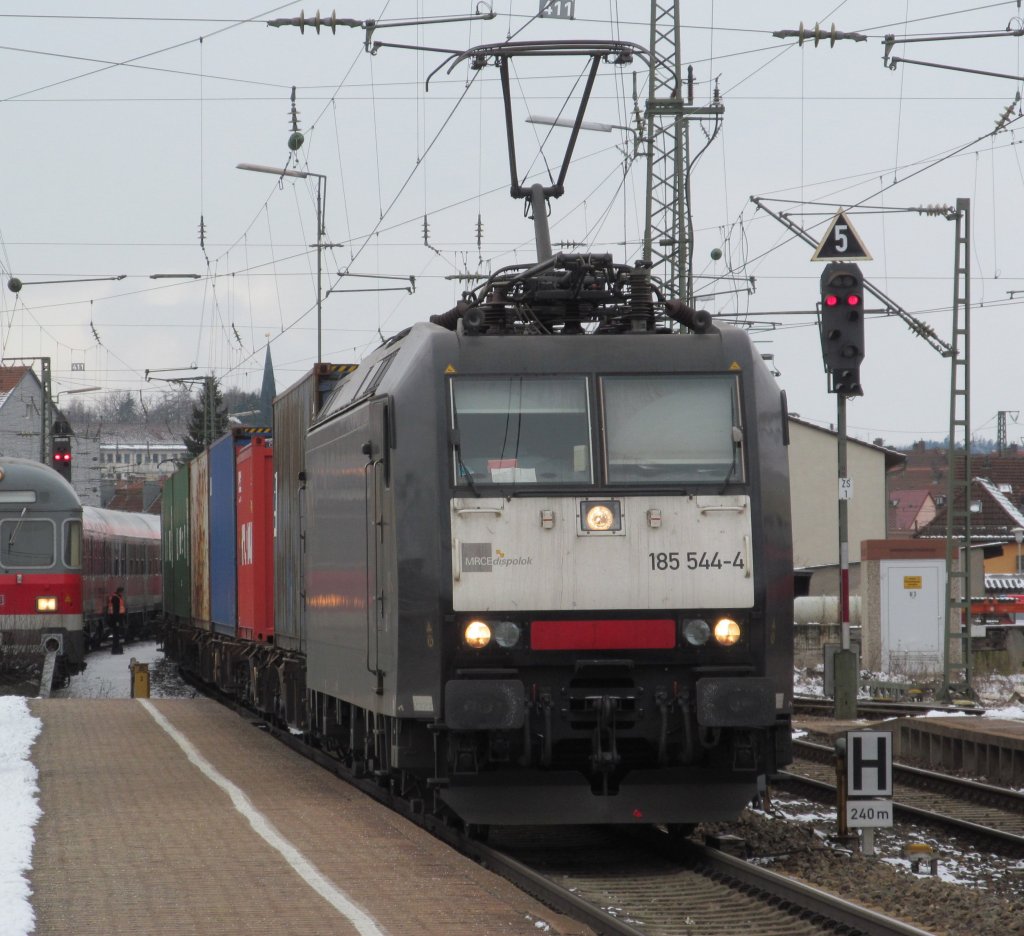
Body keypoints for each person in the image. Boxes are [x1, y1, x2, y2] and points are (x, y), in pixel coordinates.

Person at [108, 586, 126, 655]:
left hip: (115, 619)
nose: (122, 593)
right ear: (119, 592)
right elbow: (116, 611)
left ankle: (115, 648)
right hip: (115, 619)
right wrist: (117, 621)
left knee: (116, 634)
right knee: (116, 634)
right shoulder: (116, 598)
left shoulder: (115, 597)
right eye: (122, 592)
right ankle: (115, 649)